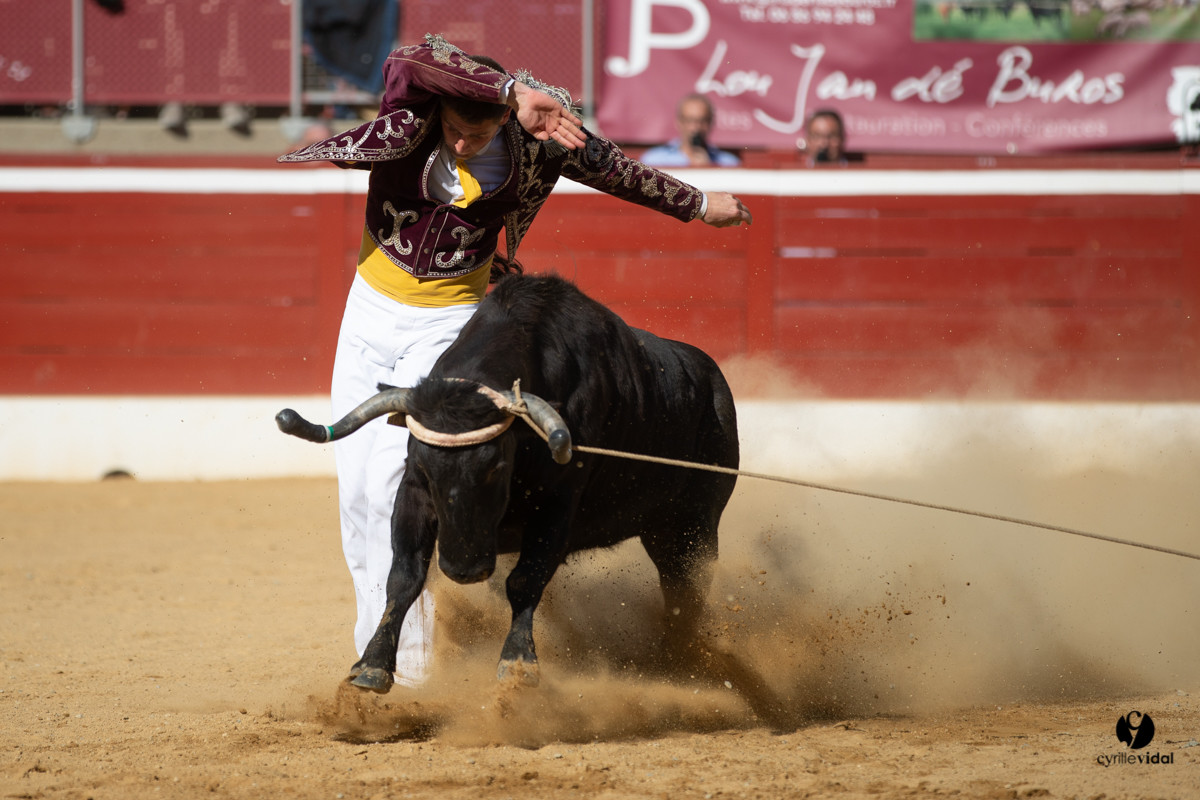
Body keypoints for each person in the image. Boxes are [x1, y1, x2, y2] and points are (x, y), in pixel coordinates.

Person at [277, 34, 752, 687]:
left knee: (396, 488)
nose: (462, 143)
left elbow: (619, 172)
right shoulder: (415, 114)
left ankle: (402, 673)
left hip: (446, 323)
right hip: (367, 315)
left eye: (477, 133)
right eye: (454, 129)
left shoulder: (537, 142)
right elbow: (410, 56)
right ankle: (385, 650)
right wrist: (509, 92)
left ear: (504, 123)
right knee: (357, 497)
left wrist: (698, 205)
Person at [640, 93, 741, 168]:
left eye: (702, 121)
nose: (696, 127)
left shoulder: (728, 163)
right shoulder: (654, 160)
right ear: (679, 122)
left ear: (711, 123)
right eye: (690, 120)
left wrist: (709, 168)